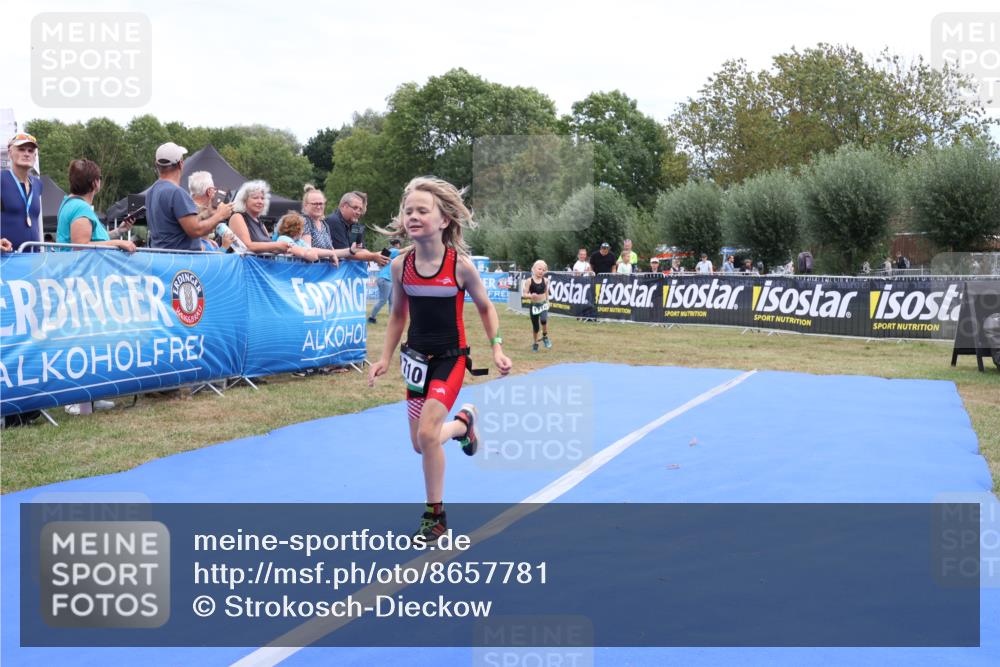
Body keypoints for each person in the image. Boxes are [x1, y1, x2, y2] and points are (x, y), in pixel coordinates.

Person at [368, 176, 511, 542]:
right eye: (408, 210)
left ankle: (436, 516)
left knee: (429, 434)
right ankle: (464, 424)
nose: (413, 216)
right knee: (421, 443)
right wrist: (384, 357)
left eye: (422, 210)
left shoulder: (459, 266)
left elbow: (485, 307)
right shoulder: (401, 266)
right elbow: (398, 315)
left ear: (444, 219)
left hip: (451, 358)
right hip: (416, 360)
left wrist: (496, 346)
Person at [146, 142, 233, 250]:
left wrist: (208, 213)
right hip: (181, 262)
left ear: (157, 164)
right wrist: (220, 215)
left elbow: (176, 226)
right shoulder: (176, 193)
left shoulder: (151, 191)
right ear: (181, 164)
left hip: (161, 258)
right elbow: (195, 230)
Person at [56, 159, 136, 253]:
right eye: (100, 177)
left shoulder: (68, 203)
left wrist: (118, 231)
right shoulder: (81, 208)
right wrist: (118, 243)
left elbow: (94, 240)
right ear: (95, 183)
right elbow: (81, 246)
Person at [227, 180, 294, 255]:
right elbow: (246, 246)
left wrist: (285, 248)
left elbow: (268, 247)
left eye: (262, 198)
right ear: (244, 200)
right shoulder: (238, 217)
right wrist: (276, 245)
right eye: (255, 198)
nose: (260, 201)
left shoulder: (260, 222)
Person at [1, 133, 42, 251]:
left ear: (35, 155)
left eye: (30, 150)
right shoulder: (1, 180)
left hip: (32, 260)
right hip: (5, 259)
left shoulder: (38, 184)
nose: (26, 154)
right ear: (10, 153)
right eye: (21, 149)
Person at [324, 191, 389, 266]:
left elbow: (360, 249)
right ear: (344, 206)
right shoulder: (333, 221)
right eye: (355, 208)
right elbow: (347, 254)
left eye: (360, 209)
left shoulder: (355, 225)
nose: (358, 213)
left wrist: (377, 256)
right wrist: (373, 257)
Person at [369, 238, 401, 323]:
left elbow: (379, 265)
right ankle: (372, 318)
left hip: (388, 279)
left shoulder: (387, 252)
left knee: (392, 301)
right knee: (383, 300)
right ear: (397, 244)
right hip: (385, 279)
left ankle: (392, 321)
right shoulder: (394, 251)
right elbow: (405, 250)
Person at [522, 259, 552, 351]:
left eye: (543, 270)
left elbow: (546, 292)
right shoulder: (529, 281)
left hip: (543, 304)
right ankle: (535, 343)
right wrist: (530, 296)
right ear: (533, 269)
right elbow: (524, 294)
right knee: (536, 327)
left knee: (543, 320)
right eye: (539, 269)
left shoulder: (546, 281)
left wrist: (547, 301)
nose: (541, 271)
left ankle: (545, 336)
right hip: (534, 306)